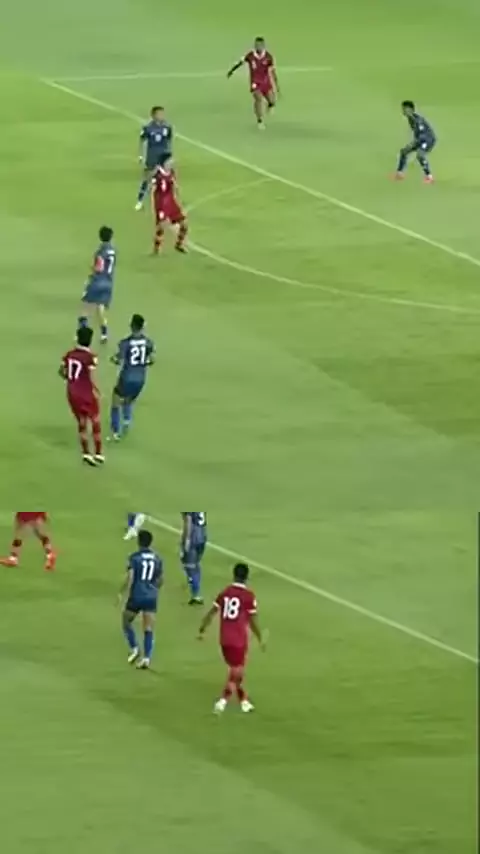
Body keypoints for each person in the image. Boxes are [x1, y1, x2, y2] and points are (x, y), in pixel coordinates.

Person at [198, 562, 265, 714]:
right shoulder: (248, 596)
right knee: (237, 671)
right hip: (238, 639)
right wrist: (260, 637)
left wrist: (202, 628)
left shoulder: (225, 593)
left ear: (234, 575)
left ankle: (243, 701)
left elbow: (212, 612)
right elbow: (253, 620)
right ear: (247, 577)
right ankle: (223, 700)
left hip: (224, 639)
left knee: (235, 669)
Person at [60, 326, 104, 466]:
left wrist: (71, 379)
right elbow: (91, 375)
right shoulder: (90, 357)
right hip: (86, 393)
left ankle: (86, 453)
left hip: (72, 392)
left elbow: (62, 372)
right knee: (95, 420)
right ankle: (98, 453)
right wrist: (97, 390)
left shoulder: (68, 355)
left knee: (82, 421)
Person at [119, 528, 163, 669]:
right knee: (148, 627)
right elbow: (160, 579)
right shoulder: (157, 558)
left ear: (139, 542)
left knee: (126, 620)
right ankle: (147, 658)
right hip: (151, 596)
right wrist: (153, 590)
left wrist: (122, 592)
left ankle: (135, 648)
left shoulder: (134, 557)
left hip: (137, 595)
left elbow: (131, 577)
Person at [110, 314, 155, 440]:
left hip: (126, 377)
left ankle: (115, 431)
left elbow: (118, 359)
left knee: (115, 401)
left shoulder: (125, 343)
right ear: (143, 326)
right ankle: (126, 422)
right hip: (141, 379)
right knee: (129, 399)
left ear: (131, 326)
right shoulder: (148, 342)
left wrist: (113, 359)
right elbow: (151, 360)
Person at [227, 37, 279, 129]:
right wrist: (232, 71)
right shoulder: (250, 55)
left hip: (266, 82)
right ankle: (260, 120)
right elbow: (240, 62)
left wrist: (276, 84)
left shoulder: (268, 57)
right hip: (255, 82)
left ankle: (270, 105)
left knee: (272, 100)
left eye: (260, 45)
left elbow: (273, 71)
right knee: (258, 99)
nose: (258, 47)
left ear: (263, 46)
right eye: (256, 45)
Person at [78, 226, 116, 343]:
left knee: (85, 308)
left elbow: (99, 267)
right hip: (108, 283)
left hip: (97, 282)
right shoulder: (113, 250)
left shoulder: (100, 251)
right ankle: (104, 334)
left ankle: (82, 333)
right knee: (100, 308)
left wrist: (92, 268)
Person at [136, 106, 173, 210]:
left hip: (164, 157)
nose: (162, 116)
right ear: (153, 115)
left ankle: (168, 201)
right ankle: (140, 201)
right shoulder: (148, 128)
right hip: (152, 156)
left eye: (162, 113)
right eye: (159, 114)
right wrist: (140, 155)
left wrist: (170, 156)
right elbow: (142, 141)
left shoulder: (167, 127)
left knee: (167, 179)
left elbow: (169, 142)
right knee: (147, 178)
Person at [152, 154, 188, 253]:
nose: (172, 162)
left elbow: (175, 185)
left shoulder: (171, 172)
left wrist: (179, 198)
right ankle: (156, 249)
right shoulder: (158, 174)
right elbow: (152, 188)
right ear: (164, 163)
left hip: (171, 202)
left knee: (184, 224)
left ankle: (179, 244)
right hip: (161, 204)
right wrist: (157, 206)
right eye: (170, 161)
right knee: (161, 227)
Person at [395, 100, 436, 183]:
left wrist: (414, 143)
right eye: (403, 109)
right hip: (420, 139)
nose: (403, 111)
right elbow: (416, 133)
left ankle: (429, 177)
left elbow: (422, 134)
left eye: (405, 109)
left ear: (411, 110)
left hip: (428, 140)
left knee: (420, 155)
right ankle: (400, 174)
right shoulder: (410, 118)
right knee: (404, 152)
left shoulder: (417, 120)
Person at [181, 512, 207, 605]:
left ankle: (196, 595)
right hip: (203, 536)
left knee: (190, 566)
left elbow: (188, 522)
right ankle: (194, 585)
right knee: (195, 564)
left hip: (193, 538)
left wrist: (186, 539)